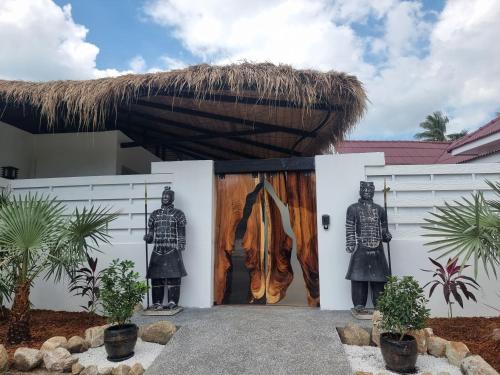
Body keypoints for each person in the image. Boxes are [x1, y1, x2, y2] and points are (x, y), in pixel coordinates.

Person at [345, 181, 391, 312]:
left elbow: (383, 228)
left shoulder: (380, 209)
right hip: (361, 248)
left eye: (369, 189)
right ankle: (359, 305)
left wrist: (386, 235)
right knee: (359, 278)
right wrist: (350, 243)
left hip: (377, 250)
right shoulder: (353, 208)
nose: (366, 191)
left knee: (379, 280)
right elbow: (350, 227)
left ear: (373, 191)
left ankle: (380, 305)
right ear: (360, 191)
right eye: (364, 189)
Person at [144, 186, 187, 310]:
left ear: (172, 198)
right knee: (156, 278)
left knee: (174, 276)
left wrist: (181, 245)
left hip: (172, 249)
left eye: (167, 197)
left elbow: (181, 232)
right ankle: (157, 302)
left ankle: (173, 301)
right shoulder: (155, 214)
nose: (165, 198)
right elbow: (151, 235)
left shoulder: (178, 214)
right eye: (163, 196)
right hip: (157, 249)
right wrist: (148, 237)